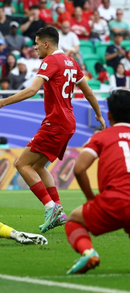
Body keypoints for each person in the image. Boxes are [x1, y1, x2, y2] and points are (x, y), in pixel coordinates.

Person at [0, 27, 105, 233]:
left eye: (37, 43)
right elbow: (89, 92)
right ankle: (58, 211)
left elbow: (32, 90)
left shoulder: (49, 61)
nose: (35, 47)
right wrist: (99, 115)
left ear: (46, 44)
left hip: (56, 123)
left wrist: (1, 103)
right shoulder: (72, 62)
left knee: (21, 163)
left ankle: (50, 207)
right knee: (39, 166)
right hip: (68, 123)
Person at [65, 89, 130, 274]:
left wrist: (90, 198)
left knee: (73, 220)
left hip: (114, 201)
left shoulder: (101, 137)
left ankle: (88, 252)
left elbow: (78, 168)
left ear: (109, 116)